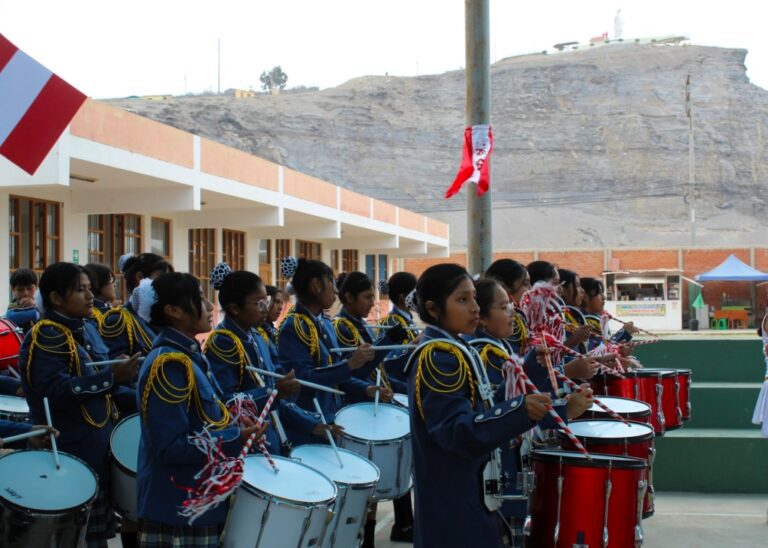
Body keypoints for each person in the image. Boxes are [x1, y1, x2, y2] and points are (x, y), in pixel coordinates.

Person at [407, 264, 592, 548]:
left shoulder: (457, 349)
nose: (474, 307)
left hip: (471, 495)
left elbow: (489, 405)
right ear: (433, 308)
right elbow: (456, 433)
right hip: (454, 502)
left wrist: (532, 370)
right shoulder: (438, 356)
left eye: (473, 297)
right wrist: (520, 411)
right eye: (462, 300)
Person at [135, 272, 267, 547]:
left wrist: (237, 425)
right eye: (199, 299)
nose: (209, 306)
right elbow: (170, 446)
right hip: (178, 506)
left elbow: (207, 420)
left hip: (197, 503)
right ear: (173, 311)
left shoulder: (188, 356)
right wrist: (234, 438)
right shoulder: (168, 364)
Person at [19, 262, 139, 548]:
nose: (89, 295)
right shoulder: (47, 335)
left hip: (96, 450)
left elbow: (104, 388)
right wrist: (112, 378)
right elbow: (56, 391)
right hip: (69, 453)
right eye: (80, 290)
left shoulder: (86, 328)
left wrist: (147, 399)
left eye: (89, 288)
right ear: (56, 298)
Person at [204, 263, 335, 452]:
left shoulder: (256, 335)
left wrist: (311, 424)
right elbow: (225, 402)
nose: (265, 308)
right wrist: (272, 392)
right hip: (246, 445)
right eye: (258, 303)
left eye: (265, 301)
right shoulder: (223, 342)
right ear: (235, 309)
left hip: (271, 437)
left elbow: (278, 398)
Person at [332, 271, 412, 545]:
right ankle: (364, 538)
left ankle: (370, 536)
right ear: (348, 297)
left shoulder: (359, 325)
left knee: (374, 483)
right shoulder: (342, 327)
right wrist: (387, 345)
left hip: (372, 403)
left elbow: (379, 369)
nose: (372, 303)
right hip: (357, 409)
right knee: (362, 483)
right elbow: (352, 371)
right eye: (366, 297)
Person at [277, 257, 383, 422]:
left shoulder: (325, 322)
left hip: (333, 415)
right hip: (311, 421)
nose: (335, 290)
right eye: (331, 283)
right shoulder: (293, 326)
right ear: (316, 285)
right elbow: (302, 380)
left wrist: (366, 388)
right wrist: (350, 364)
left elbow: (336, 375)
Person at [100, 253, 173, 359]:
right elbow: (116, 366)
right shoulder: (119, 320)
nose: (167, 286)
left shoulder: (166, 317)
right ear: (140, 277)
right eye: (162, 279)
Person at [378, 272, 420, 382]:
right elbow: (387, 357)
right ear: (402, 298)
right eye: (415, 294)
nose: (419, 298)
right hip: (398, 383)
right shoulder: (391, 322)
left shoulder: (407, 319)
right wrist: (414, 344)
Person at [485, 259, 531, 355]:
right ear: (504, 288)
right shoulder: (499, 324)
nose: (530, 289)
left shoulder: (520, 316)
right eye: (525, 284)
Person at [6, 267, 40, 334]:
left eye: (30, 288)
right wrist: (36, 312)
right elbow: (10, 317)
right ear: (13, 289)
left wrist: (36, 305)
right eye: (20, 289)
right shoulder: (14, 305)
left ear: (36, 286)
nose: (25, 293)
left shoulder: (41, 302)